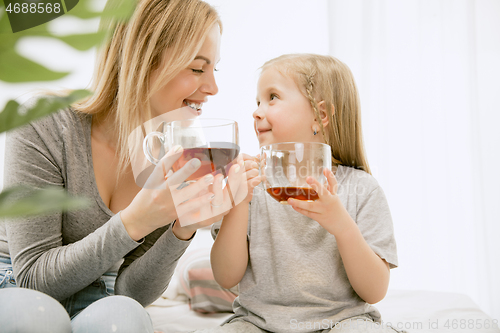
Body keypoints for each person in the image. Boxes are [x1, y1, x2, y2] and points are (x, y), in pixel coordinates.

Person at [0, 0, 246, 332]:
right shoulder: (44, 123)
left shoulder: (172, 151)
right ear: (142, 60)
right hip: (17, 286)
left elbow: (131, 292)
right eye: (197, 68)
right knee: (37, 317)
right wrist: (136, 219)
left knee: (125, 317)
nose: (213, 88)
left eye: (214, 69)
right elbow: (33, 279)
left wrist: (182, 229)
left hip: (97, 294)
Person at [202, 54, 402, 333]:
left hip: (342, 323)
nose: (257, 111)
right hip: (258, 324)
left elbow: (374, 290)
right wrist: (238, 203)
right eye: (257, 101)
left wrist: (341, 225)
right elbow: (226, 276)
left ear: (321, 115)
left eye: (272, 97)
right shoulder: (250, 185)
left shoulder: (362, 189)